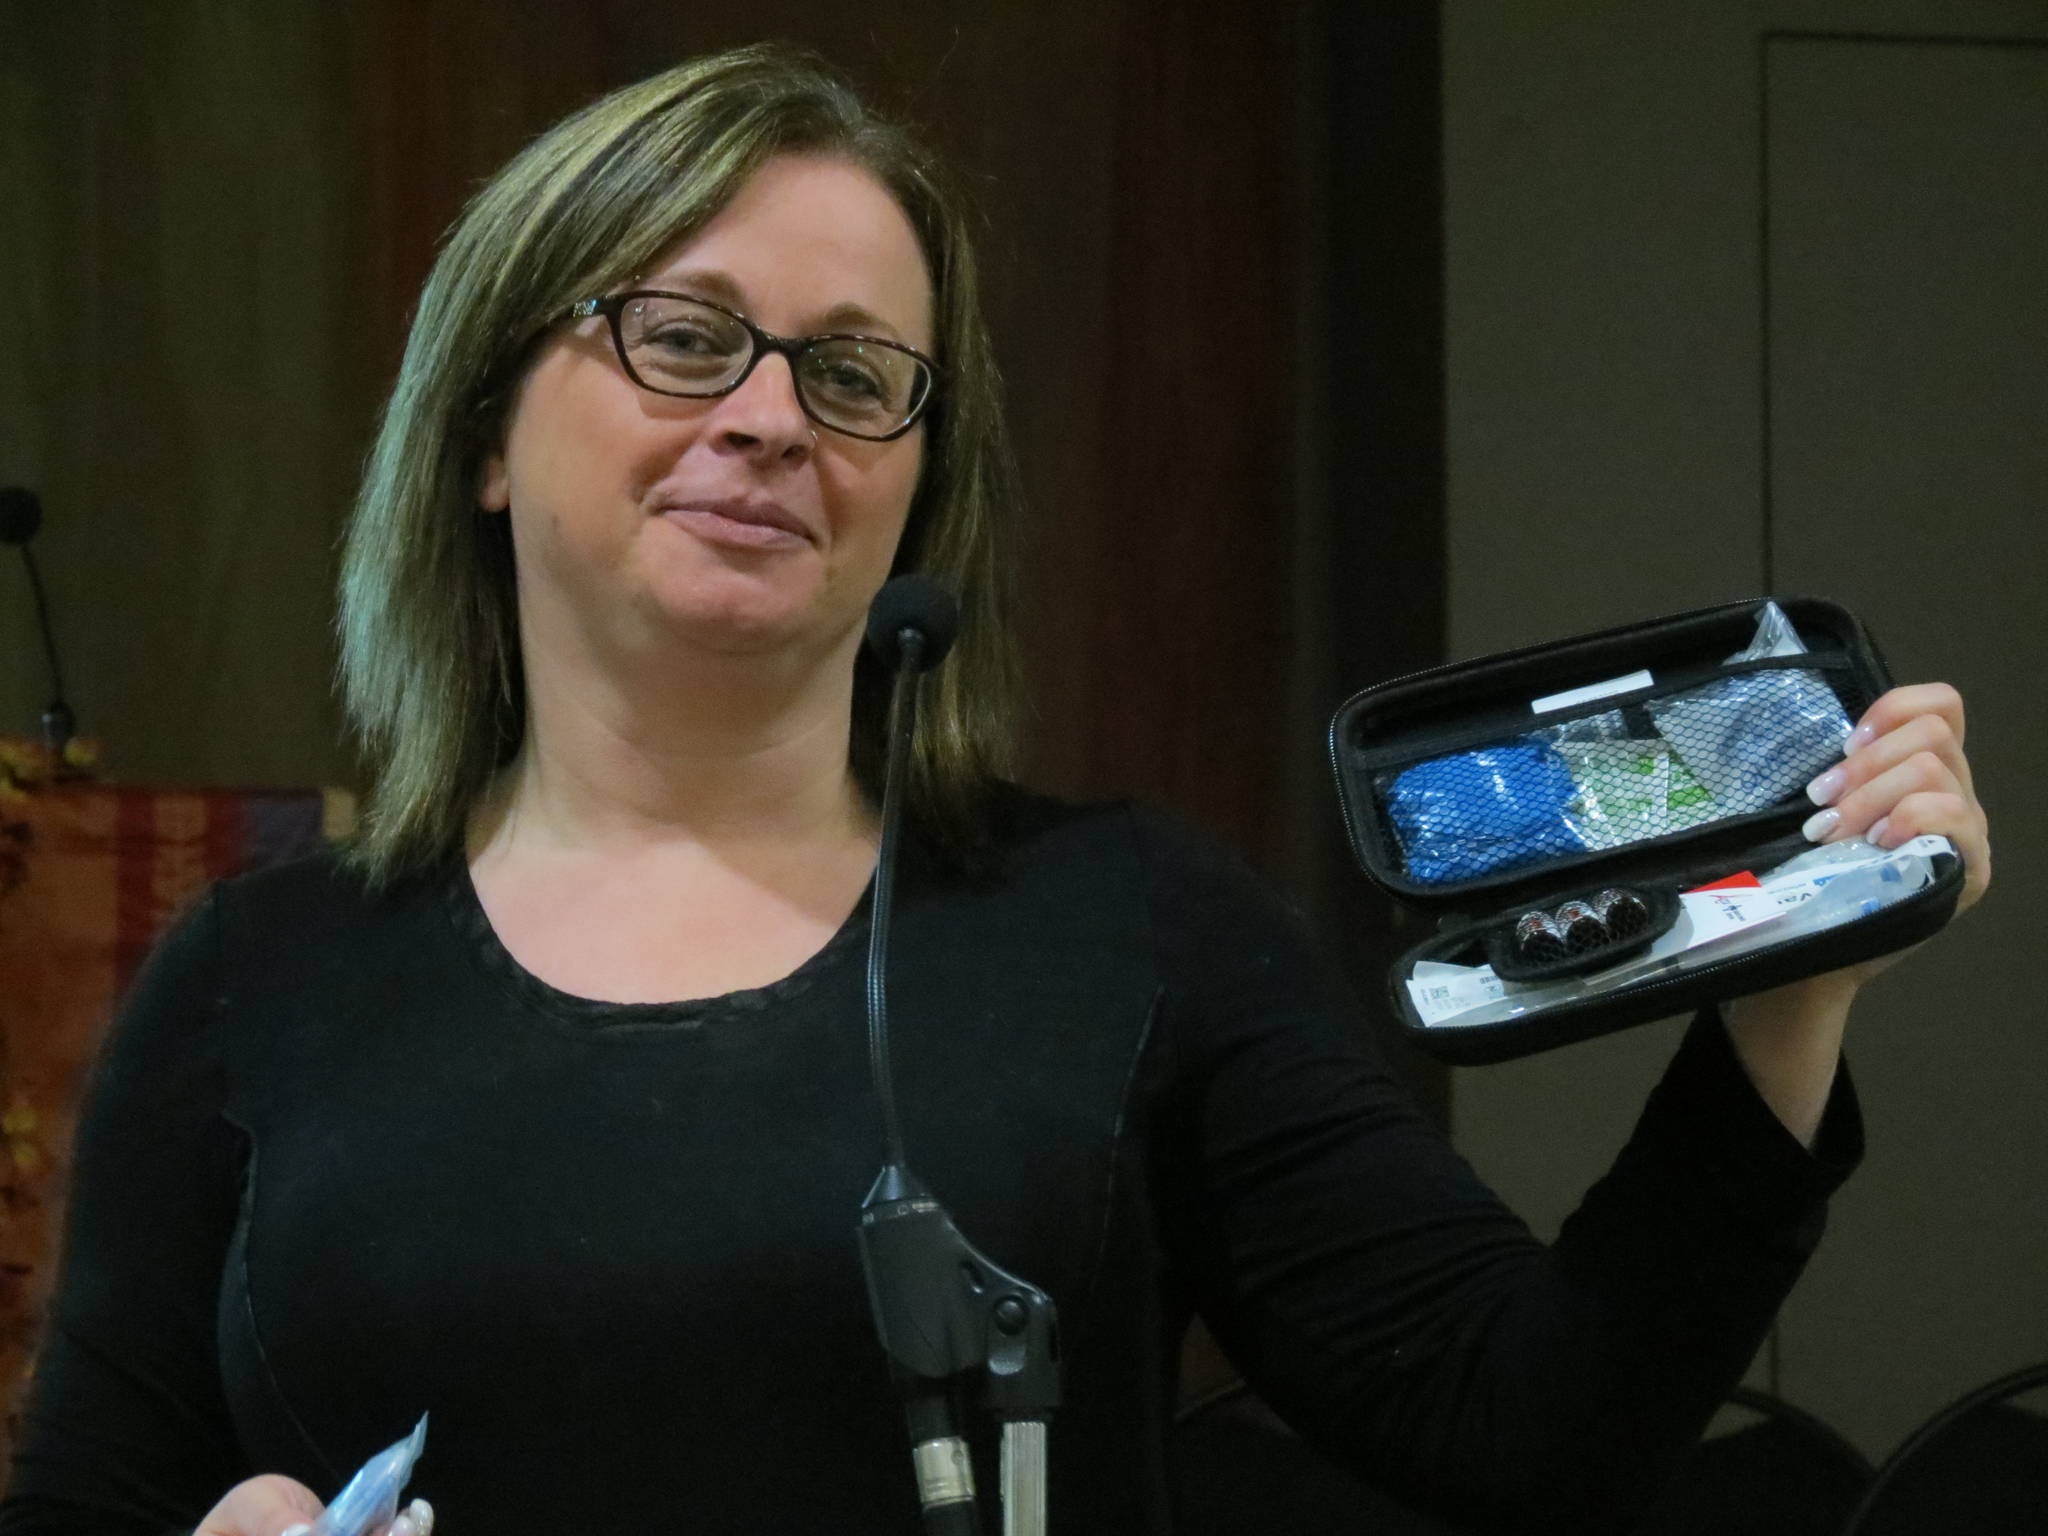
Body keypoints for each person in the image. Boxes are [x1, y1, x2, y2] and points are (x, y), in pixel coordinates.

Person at [0, 43, 1992, 1536]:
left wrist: (1786, 980)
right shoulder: (253, 986)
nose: (770, 419)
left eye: (855, 374)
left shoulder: (1123, 929)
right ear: (487, 436)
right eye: (683, 338)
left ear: (918, 487)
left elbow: (1531, 1434)